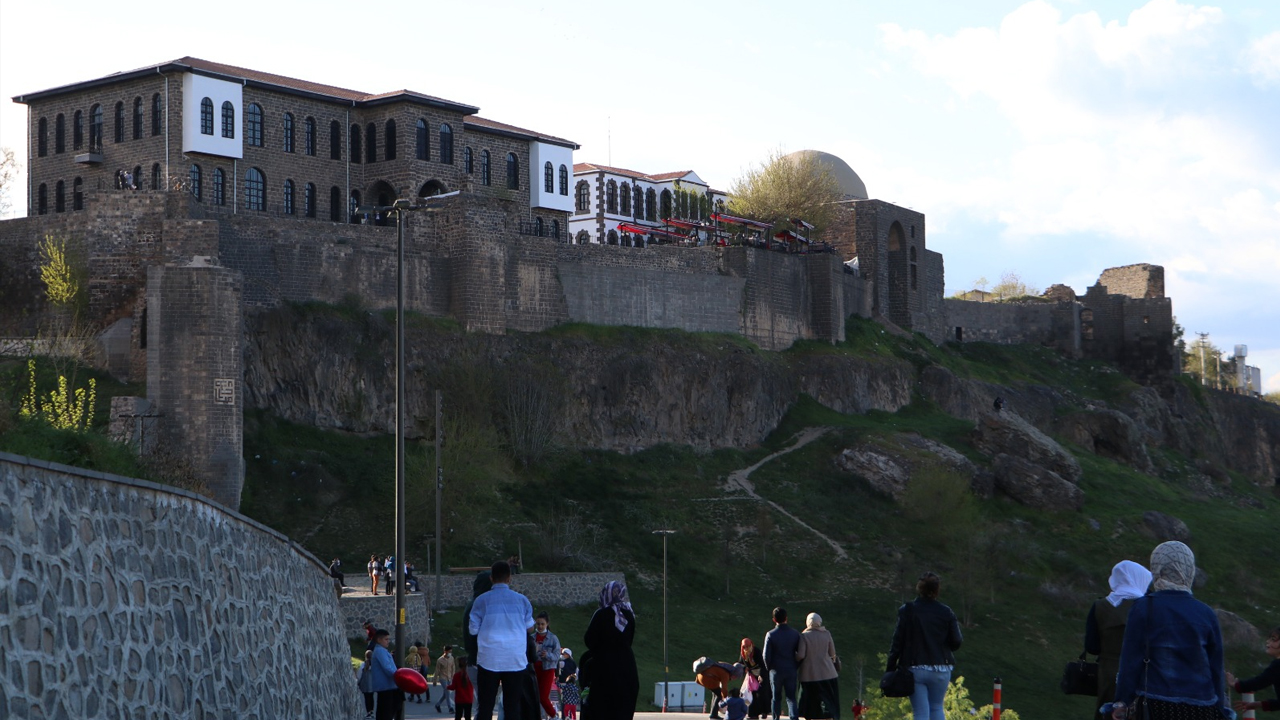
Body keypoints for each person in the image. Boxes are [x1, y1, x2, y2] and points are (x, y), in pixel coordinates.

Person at [1105, 541, 1231, 720]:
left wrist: (1121, 702)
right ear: (1189, 569)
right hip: (1202, 707)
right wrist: (1221, 709)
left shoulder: (1143, 608)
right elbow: (1215, 669)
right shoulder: (1206, 614)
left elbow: (1130, 661)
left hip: (1156, 705)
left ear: (1157, 568)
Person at [886, 572, 963, 720]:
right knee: (936, 708)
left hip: (916, 668)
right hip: (942, 667)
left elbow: (897, 642)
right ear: (937, 590)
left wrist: (890, 668)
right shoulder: (946, 612)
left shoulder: (907, 610)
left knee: (921, 712)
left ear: (919, 588)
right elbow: (957, 641)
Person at [1086, 560, 1153, 717]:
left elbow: (1092, 646)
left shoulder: (1100, 606)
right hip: (1141, 673)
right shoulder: (1149, 607)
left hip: (1108, 672)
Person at [470, 560, 535, 720]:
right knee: (512, 707)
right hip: (515, 660)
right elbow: (530, 628)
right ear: (509, 578)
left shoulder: (481, 601)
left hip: (489, 659)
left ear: (491, 578)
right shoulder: (522, 600)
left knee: (485, 706)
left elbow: (473, 630)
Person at [580, 580, 639, 720]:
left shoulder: (601, 614)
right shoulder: (629, 614)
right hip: (628, 666)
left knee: (602, 709)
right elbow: (629, 639)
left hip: (605, 668)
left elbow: (589, 640)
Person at [796, 613, 839, 720]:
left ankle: (809, 717)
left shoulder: (804, 636)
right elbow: (832, 653)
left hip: (808, 674)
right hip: (827, 673)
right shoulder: (826, 634)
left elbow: (801, 655)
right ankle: (828, 716)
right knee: (827, 698)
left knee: (809, 700)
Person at [1227, 626, 1280, 714]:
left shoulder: (1278, 665)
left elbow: (1260, 682)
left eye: (1273, 639)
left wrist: (1236, 685)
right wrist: (1256, 704)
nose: (1267, 641)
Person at [763, 607, 801, 720]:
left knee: (776, 698)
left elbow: (765, 656)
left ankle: (776, 718)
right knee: (791, 697)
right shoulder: (795, 634)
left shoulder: (770, 634)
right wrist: (796, 666)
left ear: (774, 620)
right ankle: (794, 717)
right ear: (786, 618)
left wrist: (769, 668)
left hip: (775, 670)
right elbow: (800, 653)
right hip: (790, 669)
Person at [532, 611, 563, 719]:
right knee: (534, 696)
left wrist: (548, 655)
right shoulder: (532, 637)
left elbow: (557, 655)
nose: (540, 626)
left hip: (547, 669)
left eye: (542, 624)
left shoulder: (553, 638)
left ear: (547, 624)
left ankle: (554, 716)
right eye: (538, 624)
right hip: (534, 669)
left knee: (543, 697)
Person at [369, 629, 403, 720]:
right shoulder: (380, 651)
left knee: (388, 711)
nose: (388, 641)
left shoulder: (382, 651)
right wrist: (397, 676)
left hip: (388, 686)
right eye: (386, 639)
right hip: (386, 687)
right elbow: (387, 667)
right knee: (386, 713)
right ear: (379, 640)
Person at [740, 638, 773, 720]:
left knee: (762, 694)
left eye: (748, 646)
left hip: (762, 674)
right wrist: (744, 668)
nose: (746, 648)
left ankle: (764, 711)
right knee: (752, 694)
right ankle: (753, 714)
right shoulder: (743, 653)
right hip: (752, 675)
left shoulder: (756, 651)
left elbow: (763, 664)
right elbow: (740, 663)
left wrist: (761, 675)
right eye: (744, 646)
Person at [450, 656, 476, 720]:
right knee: (468, 716)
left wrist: (447, 687)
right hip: (469, 699)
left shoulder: (456, 675)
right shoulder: (471, 675)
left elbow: (453, 687)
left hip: (459, 699)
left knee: (458, 716)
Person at [437, 645, 458, 713]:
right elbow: (437, 670)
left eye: (451, 651)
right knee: (447, 692)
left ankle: (437, 704)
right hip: (442, 678)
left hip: (449, 677)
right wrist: (434, 680)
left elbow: (453, 667)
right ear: (445, 651)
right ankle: (450, 708)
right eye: (449, 651)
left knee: (445, 694)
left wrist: (453, 676)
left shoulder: (451, 658)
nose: (450, 653)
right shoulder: (440, 660)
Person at [358, 649, 376, 720]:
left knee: (367, 698)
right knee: (371, 698)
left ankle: (368, 712)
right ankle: (371, 711)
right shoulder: (374, 666)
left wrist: (358, 682)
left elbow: (359, 675)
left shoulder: (363, 665)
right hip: (373, 685)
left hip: (365, 685)